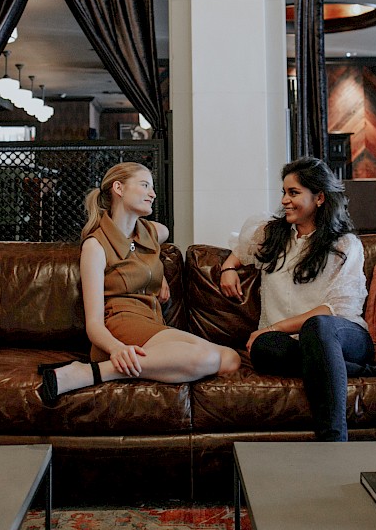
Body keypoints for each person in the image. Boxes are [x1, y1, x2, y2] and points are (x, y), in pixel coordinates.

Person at [218, 156, 376, 441]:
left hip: (341, 336)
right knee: (261, 347)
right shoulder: (273, 235)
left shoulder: (344, 245)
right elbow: (242, 248)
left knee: (317, 325)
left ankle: (333, 441)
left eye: (294, 193)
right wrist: (228, 268)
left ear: (319, 198)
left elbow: (334, 310)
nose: (284, 200)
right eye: (284, 192)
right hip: (291, 344)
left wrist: (273, 327)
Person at [38, 162, 241, 403]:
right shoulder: (95, 246)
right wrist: (116, 349)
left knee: (230, 359)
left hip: (151, 322)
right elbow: (94, 324)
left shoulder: (148, 233)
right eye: (145, 185)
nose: (152, 194)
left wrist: (158, 271)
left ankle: (103, 371)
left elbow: (162, 232)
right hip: (120, 325)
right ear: (119, 188)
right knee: (207, 357)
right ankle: (89, 373)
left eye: (152, 187)